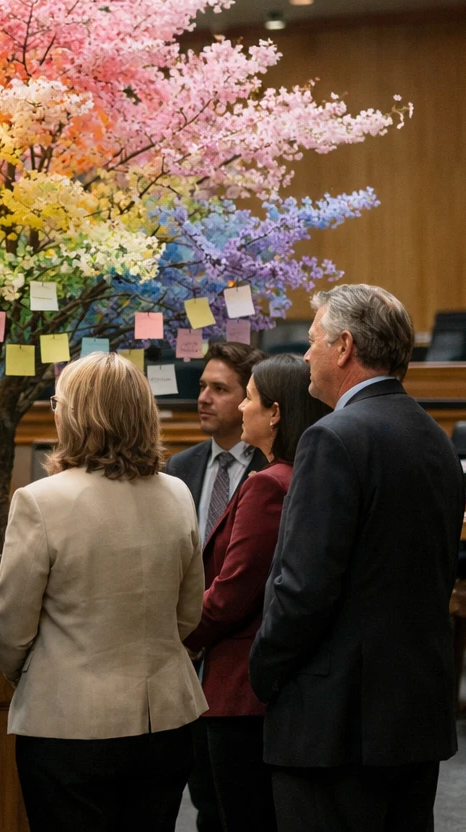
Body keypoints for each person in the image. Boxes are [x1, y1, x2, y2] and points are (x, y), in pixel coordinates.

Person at [249, 284, 466, 832]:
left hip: (335, 725)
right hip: (413, 716)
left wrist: (263, 672)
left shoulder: (331, 439)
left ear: (344, 347)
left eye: (313, 339)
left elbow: (302, 590)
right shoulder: (436, 438)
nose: (305, 355)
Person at [0, 351, 206, 832]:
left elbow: (10, 626)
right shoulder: (178, 494)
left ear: (75, 415)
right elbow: (190, 615)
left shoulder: (40, 501)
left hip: (68, 723)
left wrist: (32, 673)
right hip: (166, 719)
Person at [183, 354, 330, 831]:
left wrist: (179, 633)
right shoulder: (302, 475)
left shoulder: (268, 484)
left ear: (275, 412)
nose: (243, 409)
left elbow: (232, 591)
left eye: (248, 398)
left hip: (240, 687)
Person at [166, 341, 267, 832]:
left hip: (238, 657)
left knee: (239, 805)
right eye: (202, 386)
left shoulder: (270, 470)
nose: (203, 398)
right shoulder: (178, 470)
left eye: (220, 390)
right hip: (181, 658)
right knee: (200, 794)